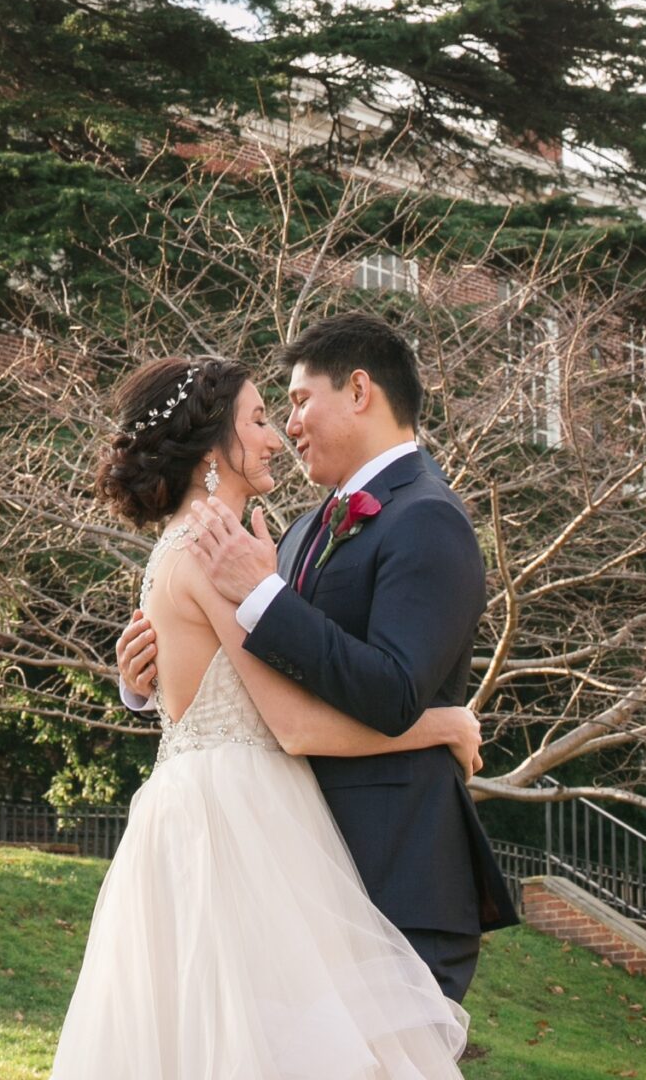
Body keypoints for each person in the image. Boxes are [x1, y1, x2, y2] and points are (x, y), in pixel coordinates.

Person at [51, 353, 475, 1079]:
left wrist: (139, 687)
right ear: (212, 448)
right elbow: (295, 726)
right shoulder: (212, 549)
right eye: (256, 419)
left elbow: (199, 681)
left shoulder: (207, 540)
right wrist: (443, 724)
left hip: (204, 811)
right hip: (240, 823)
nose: (276, 433)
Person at [117, 314, 516, 1007]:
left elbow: (391, 687)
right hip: (289, 866)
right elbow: (265, 684)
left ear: (358, 390)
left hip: (394, 870)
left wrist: (263, 597)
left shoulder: (426, 517)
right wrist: (146, 684)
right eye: (269, 415)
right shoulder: (287, 533)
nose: (286, 428)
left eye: (296, 403)